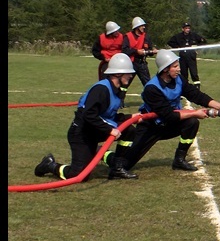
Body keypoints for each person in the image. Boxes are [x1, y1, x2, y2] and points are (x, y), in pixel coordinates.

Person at [113, 49, 220, 176]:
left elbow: (196, 95)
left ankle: (179, 160)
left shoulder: (179, 80)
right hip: (151, 127)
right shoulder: (151, 88)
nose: (179, 69)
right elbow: (169, 115)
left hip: (169, 124)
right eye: (175, 66)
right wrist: (195, 112)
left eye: (178, 65)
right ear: (165, 69)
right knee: (125, 164)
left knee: (192, 123)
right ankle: (103, 154)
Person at [34, 53, 141, 182]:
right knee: (79, 175)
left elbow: (108, 115)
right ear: (118, 74)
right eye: (128, 73)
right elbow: (88, 115)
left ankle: (117, 168)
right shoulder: (101, 90)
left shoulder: (117, 90)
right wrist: (109, 130)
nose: (131, 76)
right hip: (82, 134)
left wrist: (130, 117)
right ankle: (49, 165)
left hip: (95, 130)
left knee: (129, 130)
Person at [167, 21, 207, 88]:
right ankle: (185, 88)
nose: (188, 29)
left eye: (188, 28)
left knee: (194, 73)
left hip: (191, 56)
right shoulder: (178, 36)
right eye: (186, 28)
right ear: (183, 29)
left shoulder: (194, 35)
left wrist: (197, 48)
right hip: (183, 57)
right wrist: (177, 47)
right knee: (184, 74)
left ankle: (197, 87)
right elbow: (170, 42)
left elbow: (203, 41)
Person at [122, 16, 158, 86]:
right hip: (131, 64)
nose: (144, 27)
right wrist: (136, 51)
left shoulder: (146, 37)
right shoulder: (128, 36)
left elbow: (149, 51)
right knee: (124, 84)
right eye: (142, 26)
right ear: (136, 27)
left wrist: (152, 51)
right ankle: (119, 96)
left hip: (142, 63)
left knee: (148, 84)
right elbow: (124, 51)